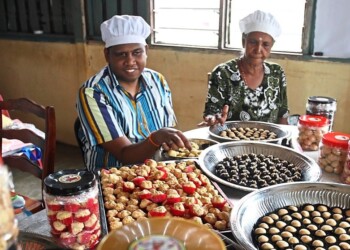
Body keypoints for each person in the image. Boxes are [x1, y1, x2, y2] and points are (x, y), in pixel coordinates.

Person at [76, 15, 191, 171]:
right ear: (107, 55)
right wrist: (157, 138)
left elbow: (167, 134)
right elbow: (124, 155)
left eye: (137, 52)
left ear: (146, 51)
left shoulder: (157, 80)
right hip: (114, 178)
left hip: (157, 171)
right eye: (121, 54)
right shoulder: (93, 92)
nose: (130, 61)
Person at [199, 10, 289, 127]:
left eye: (265, 44)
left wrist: (284, 141)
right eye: (253, 42)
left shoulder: (277, 73)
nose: (258, 49)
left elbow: (283, 113)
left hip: (270, 141)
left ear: (271, 46)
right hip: (230, 141)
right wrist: (213, 118)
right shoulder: (223, 73)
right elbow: (212, 110)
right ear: (243, 41)